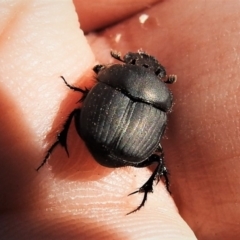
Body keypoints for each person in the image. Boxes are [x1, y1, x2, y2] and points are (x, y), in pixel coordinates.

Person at [1, 1, 239, 239]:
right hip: (131, 150)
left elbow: (90, 87)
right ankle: (147, 190)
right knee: (159, 156)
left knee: (76, 112)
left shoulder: (110, 77)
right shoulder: (159, 102)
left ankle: (57, 146)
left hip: (95, 134)